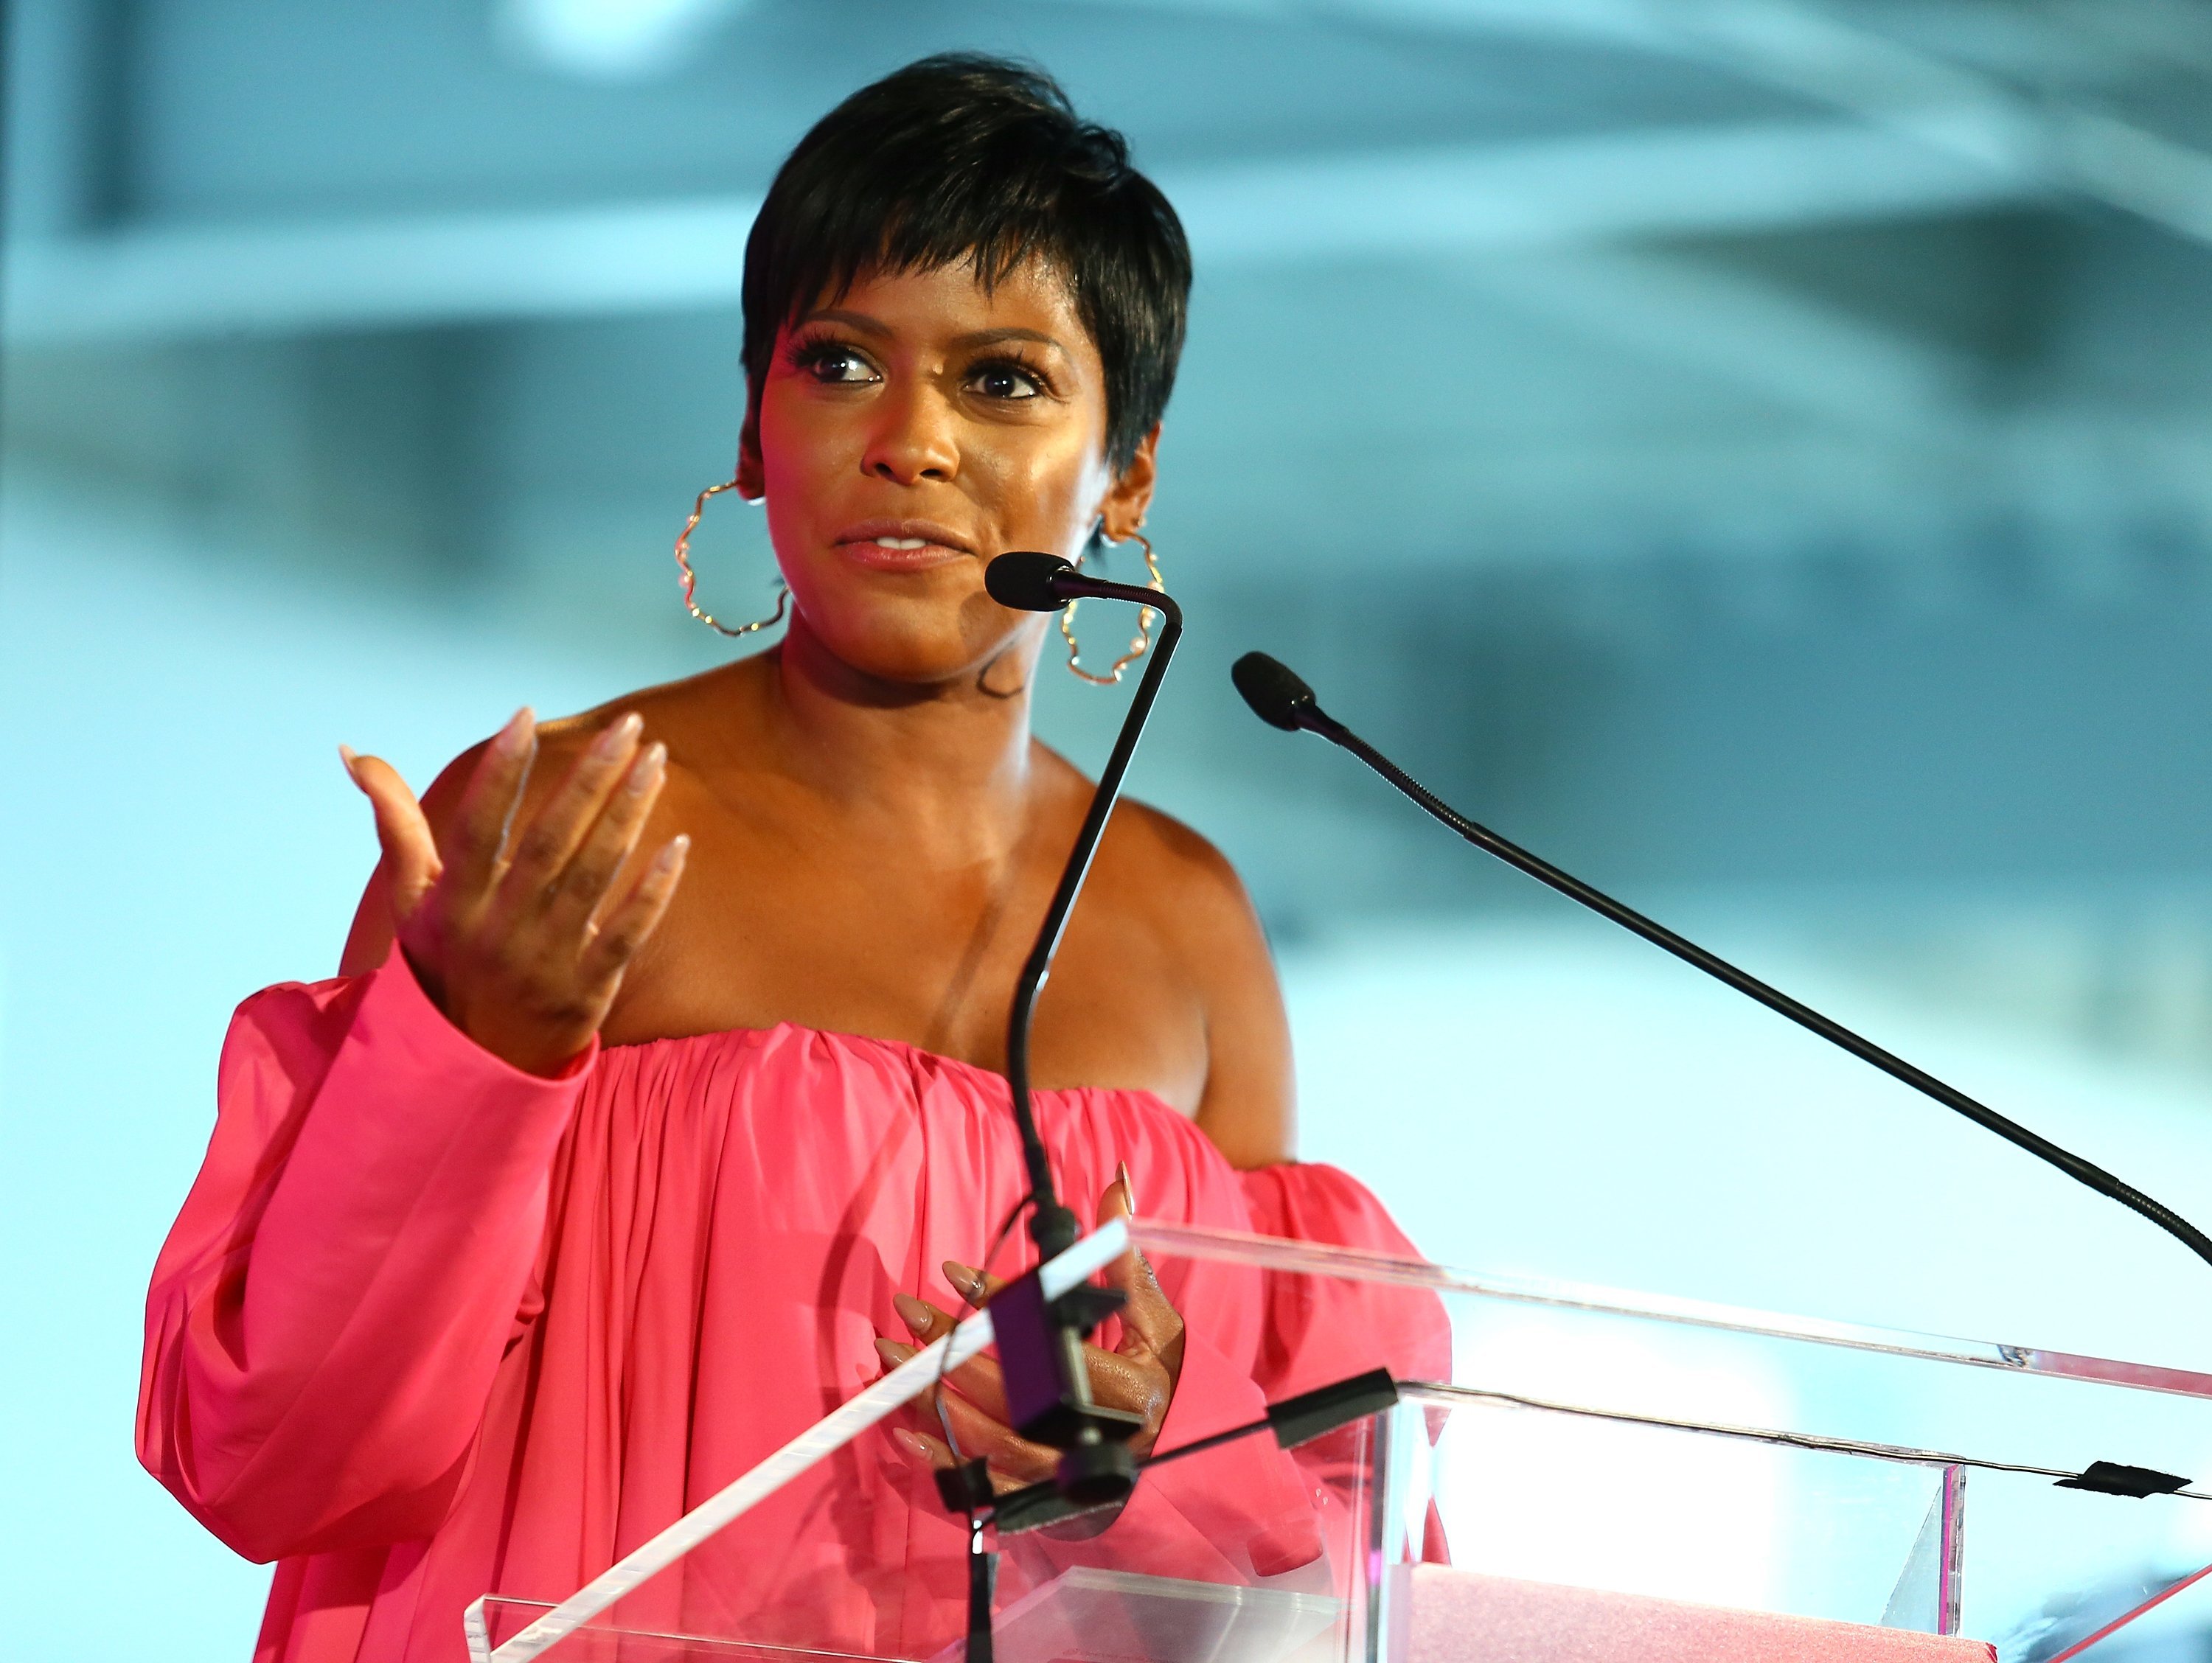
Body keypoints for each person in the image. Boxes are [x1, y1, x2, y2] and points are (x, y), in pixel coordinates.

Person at [138, 55, 1442, 1663]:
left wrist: (1142, 1442)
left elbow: (1321, 1566)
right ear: (753, 428)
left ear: (1133, 467)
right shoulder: (562, 824)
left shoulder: (1187, 926)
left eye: (1007, 381)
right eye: (838, 363)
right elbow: (277, 1455)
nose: (910, 441)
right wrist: (475, 1056)